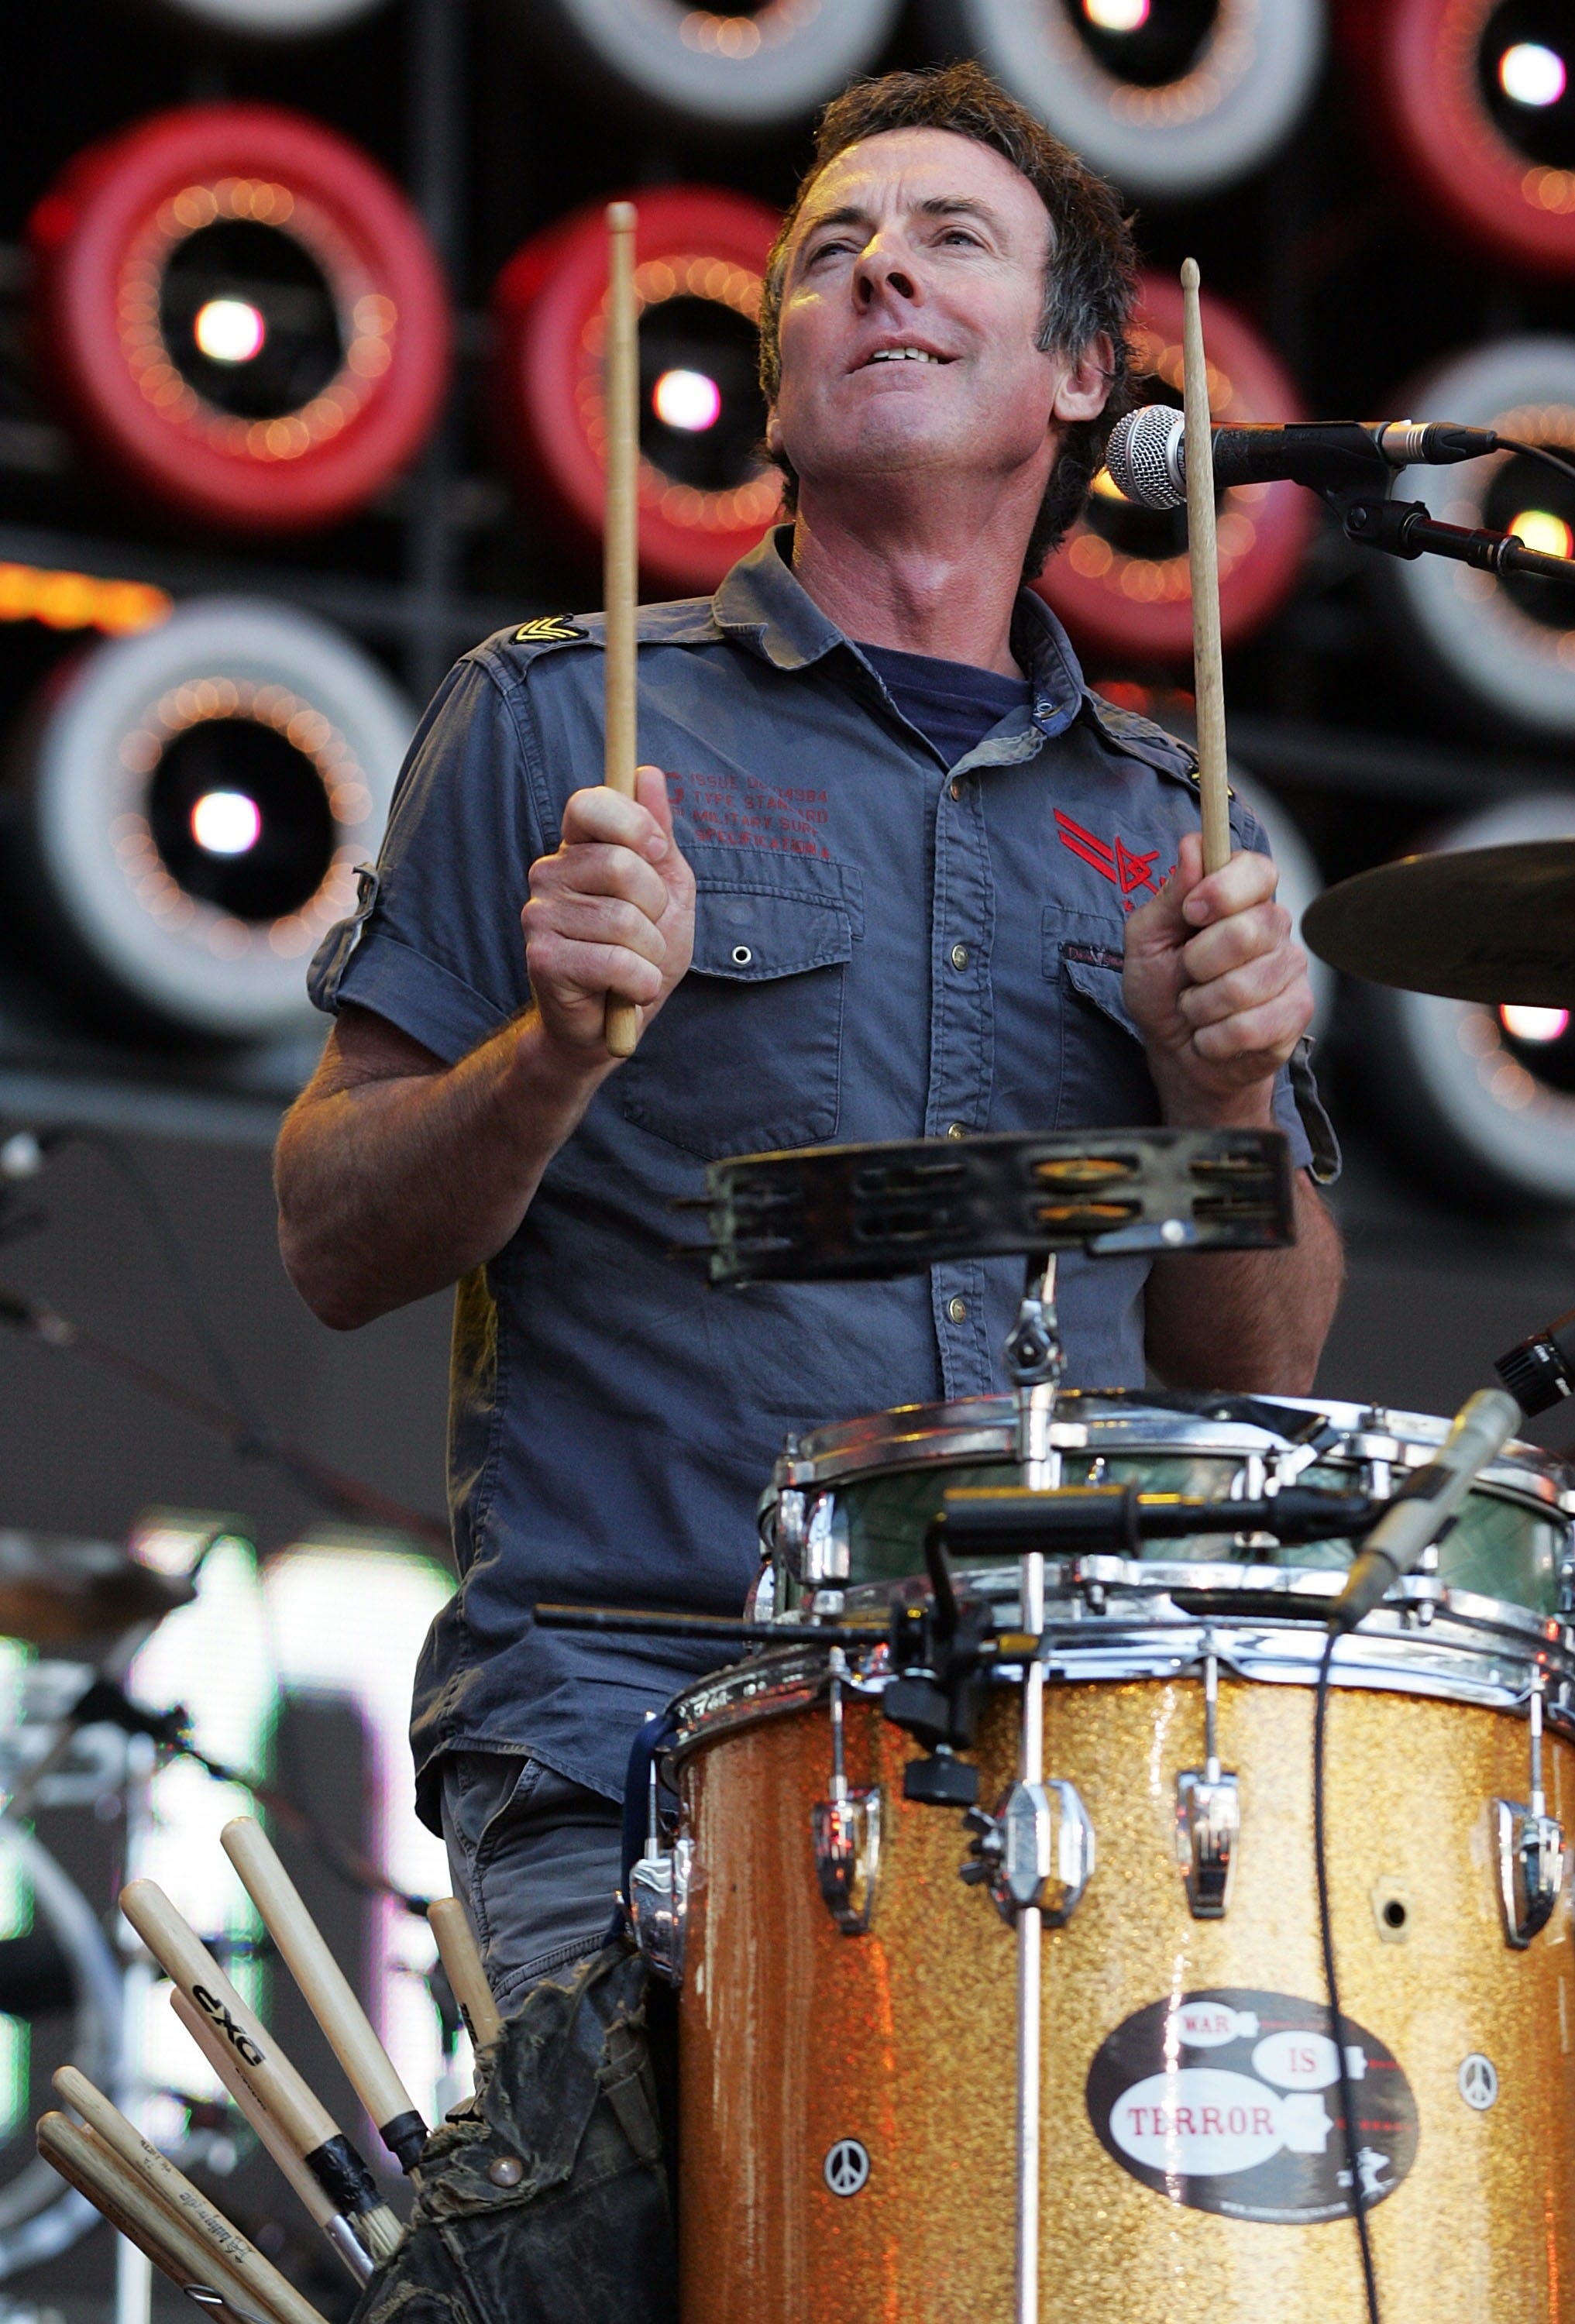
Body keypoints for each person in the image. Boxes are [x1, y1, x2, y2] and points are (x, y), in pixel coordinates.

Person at [274, 61, 1343, 2019]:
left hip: (1053, 1740)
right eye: (829, 254)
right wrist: (555, 1057)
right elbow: (332, 1238)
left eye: (949, 241)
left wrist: (1228, 1095)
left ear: (1081, 374)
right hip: (641, 1713)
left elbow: (1256, 1373)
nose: (877, 276)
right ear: (776, 383)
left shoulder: (1180, 811)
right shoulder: (557, 722)